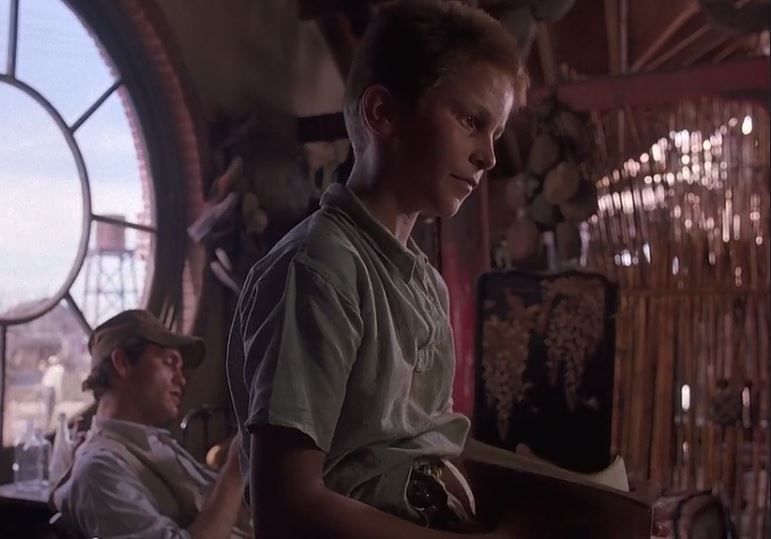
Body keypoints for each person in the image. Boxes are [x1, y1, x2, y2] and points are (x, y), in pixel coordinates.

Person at [226, 2, 535, 537]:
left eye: (496, 133)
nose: (488, 156)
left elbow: (422, 450)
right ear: (383, 114)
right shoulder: (321, 268)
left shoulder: (425, 285)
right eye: (471, 121)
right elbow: (287, 510)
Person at [52, 309, 252, 538]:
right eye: (169, 362)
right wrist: (235, 470)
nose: (181, 379)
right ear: (122, 363)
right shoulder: (100, 468)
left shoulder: (154, 445)